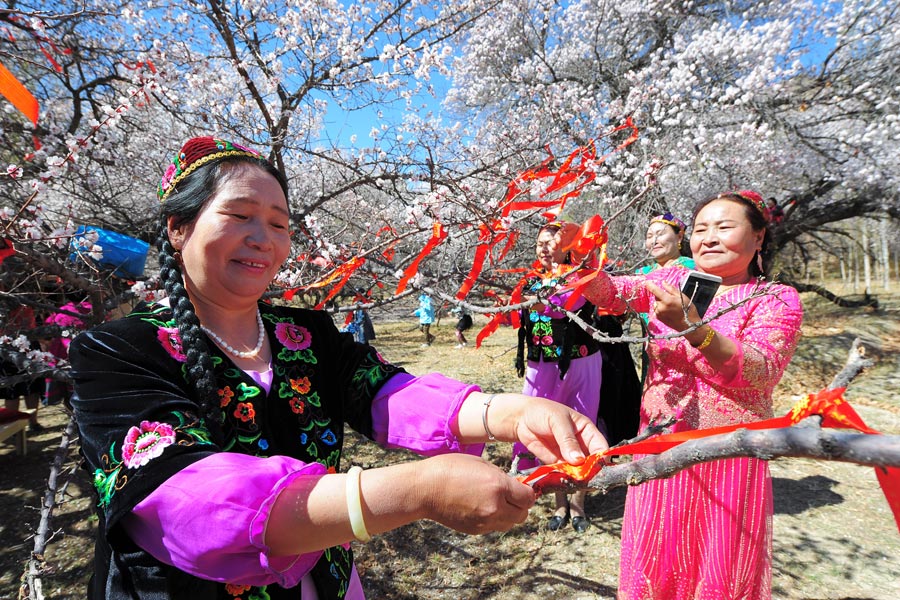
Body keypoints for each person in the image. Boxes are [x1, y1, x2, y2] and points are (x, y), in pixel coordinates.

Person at [67, 137, 608, 600]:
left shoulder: (305, 333)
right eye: (238, 216)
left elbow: (385, 391)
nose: (264, 238)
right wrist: (417, 491)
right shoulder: (117, 350)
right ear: (178, 229)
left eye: (279, 224)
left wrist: (508, 412)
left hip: (327, 579)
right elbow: (190, 498)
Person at [582, 190, 803, 599]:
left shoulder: (773, 298)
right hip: (658, 446)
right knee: (653, 558)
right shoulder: (669, 280)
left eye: (724, 227)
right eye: (701, 229)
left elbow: (760, 370)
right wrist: (576, 262)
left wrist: (694, 328)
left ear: (758, 238)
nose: (709, 238)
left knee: (716, 567)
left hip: (728, 455)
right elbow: (613, 293)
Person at [512, 222, 603, 533]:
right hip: (540, 365)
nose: (545, 246)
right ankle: (558, 502)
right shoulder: (530, 281)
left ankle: (579, 505)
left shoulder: (581, 278)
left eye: (552, 240)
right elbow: (525, 310)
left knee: (578, 428)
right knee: (544, 429)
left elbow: (560, 306)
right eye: (540, 241)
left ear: (568, 245)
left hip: (579, 363)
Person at [635, 212, 695, 381]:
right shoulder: (641, 274)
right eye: (649, 236)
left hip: (685, 348)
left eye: (660, 234)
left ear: (679, 237)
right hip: (651, 349)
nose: (654, 240)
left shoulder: (691, 269)